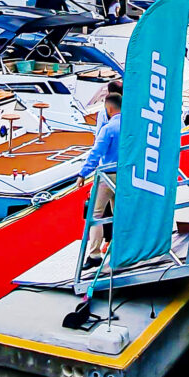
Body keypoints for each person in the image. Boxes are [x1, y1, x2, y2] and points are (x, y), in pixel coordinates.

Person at [79, 84, 124, 268]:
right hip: (125, 175)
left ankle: (95, 254)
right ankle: (119, 246)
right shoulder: (132, 127)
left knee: (95, 214)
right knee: (119, 212)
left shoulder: (108, 128)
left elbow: (95, 154)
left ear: (109, 109)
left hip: (107, 175)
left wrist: (83, 173)